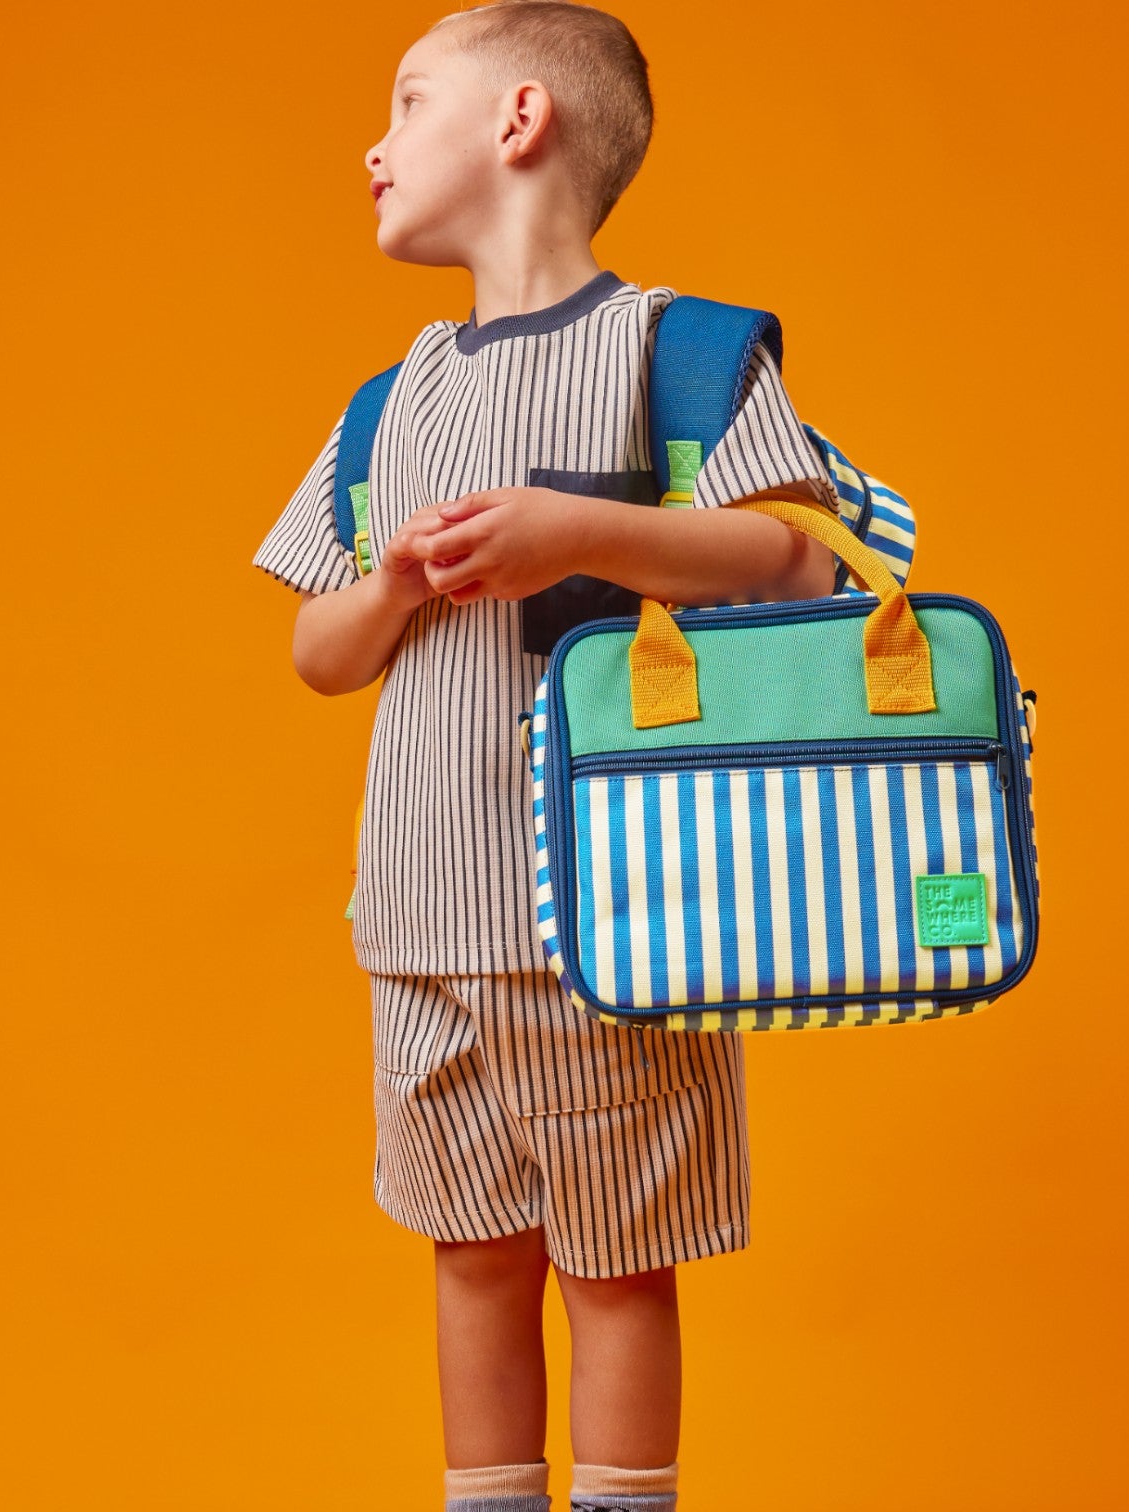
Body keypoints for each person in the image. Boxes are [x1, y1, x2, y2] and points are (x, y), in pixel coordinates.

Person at [253, 4, 841, 1507]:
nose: (373, 144)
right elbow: (320, 652)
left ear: (520, 121)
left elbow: (795, 560)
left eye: (408, 101)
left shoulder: (675, 354)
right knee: (469, 1249)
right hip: (419, 923)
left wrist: (581, 531)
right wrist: (392, 583)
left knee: (616, 1256)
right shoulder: (391, 404)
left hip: (618, 922)